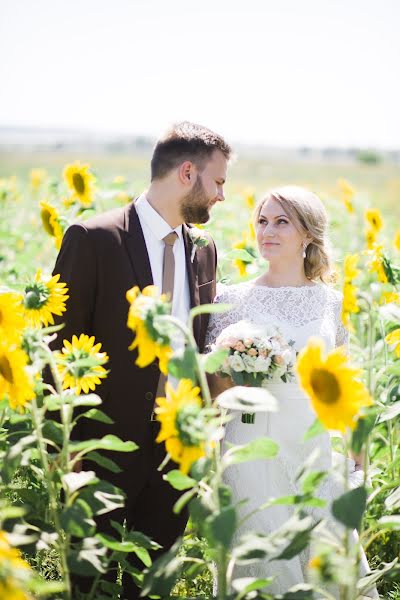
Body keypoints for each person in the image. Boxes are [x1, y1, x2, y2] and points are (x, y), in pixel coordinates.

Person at [50, 121, 231, 598]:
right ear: (187, 173)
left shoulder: (203, 250)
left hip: (175, 450)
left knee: (153, 582)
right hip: (102, 446)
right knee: (92, 583)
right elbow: (59, 345)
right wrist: (63, 447)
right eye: (218, 182)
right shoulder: (94, 238)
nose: (221, 196)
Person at [205, 186, 378, 598]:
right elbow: (212, 388)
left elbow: (345, 384)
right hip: (248, 447)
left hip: (312, 449)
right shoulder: (230, 300)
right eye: (263, 220)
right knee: (261, 562)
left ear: (308, 234)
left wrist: (357, 463)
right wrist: (234, 365)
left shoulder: (332, 305)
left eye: (282, 221)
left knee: (328, 561)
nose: (268, 230)